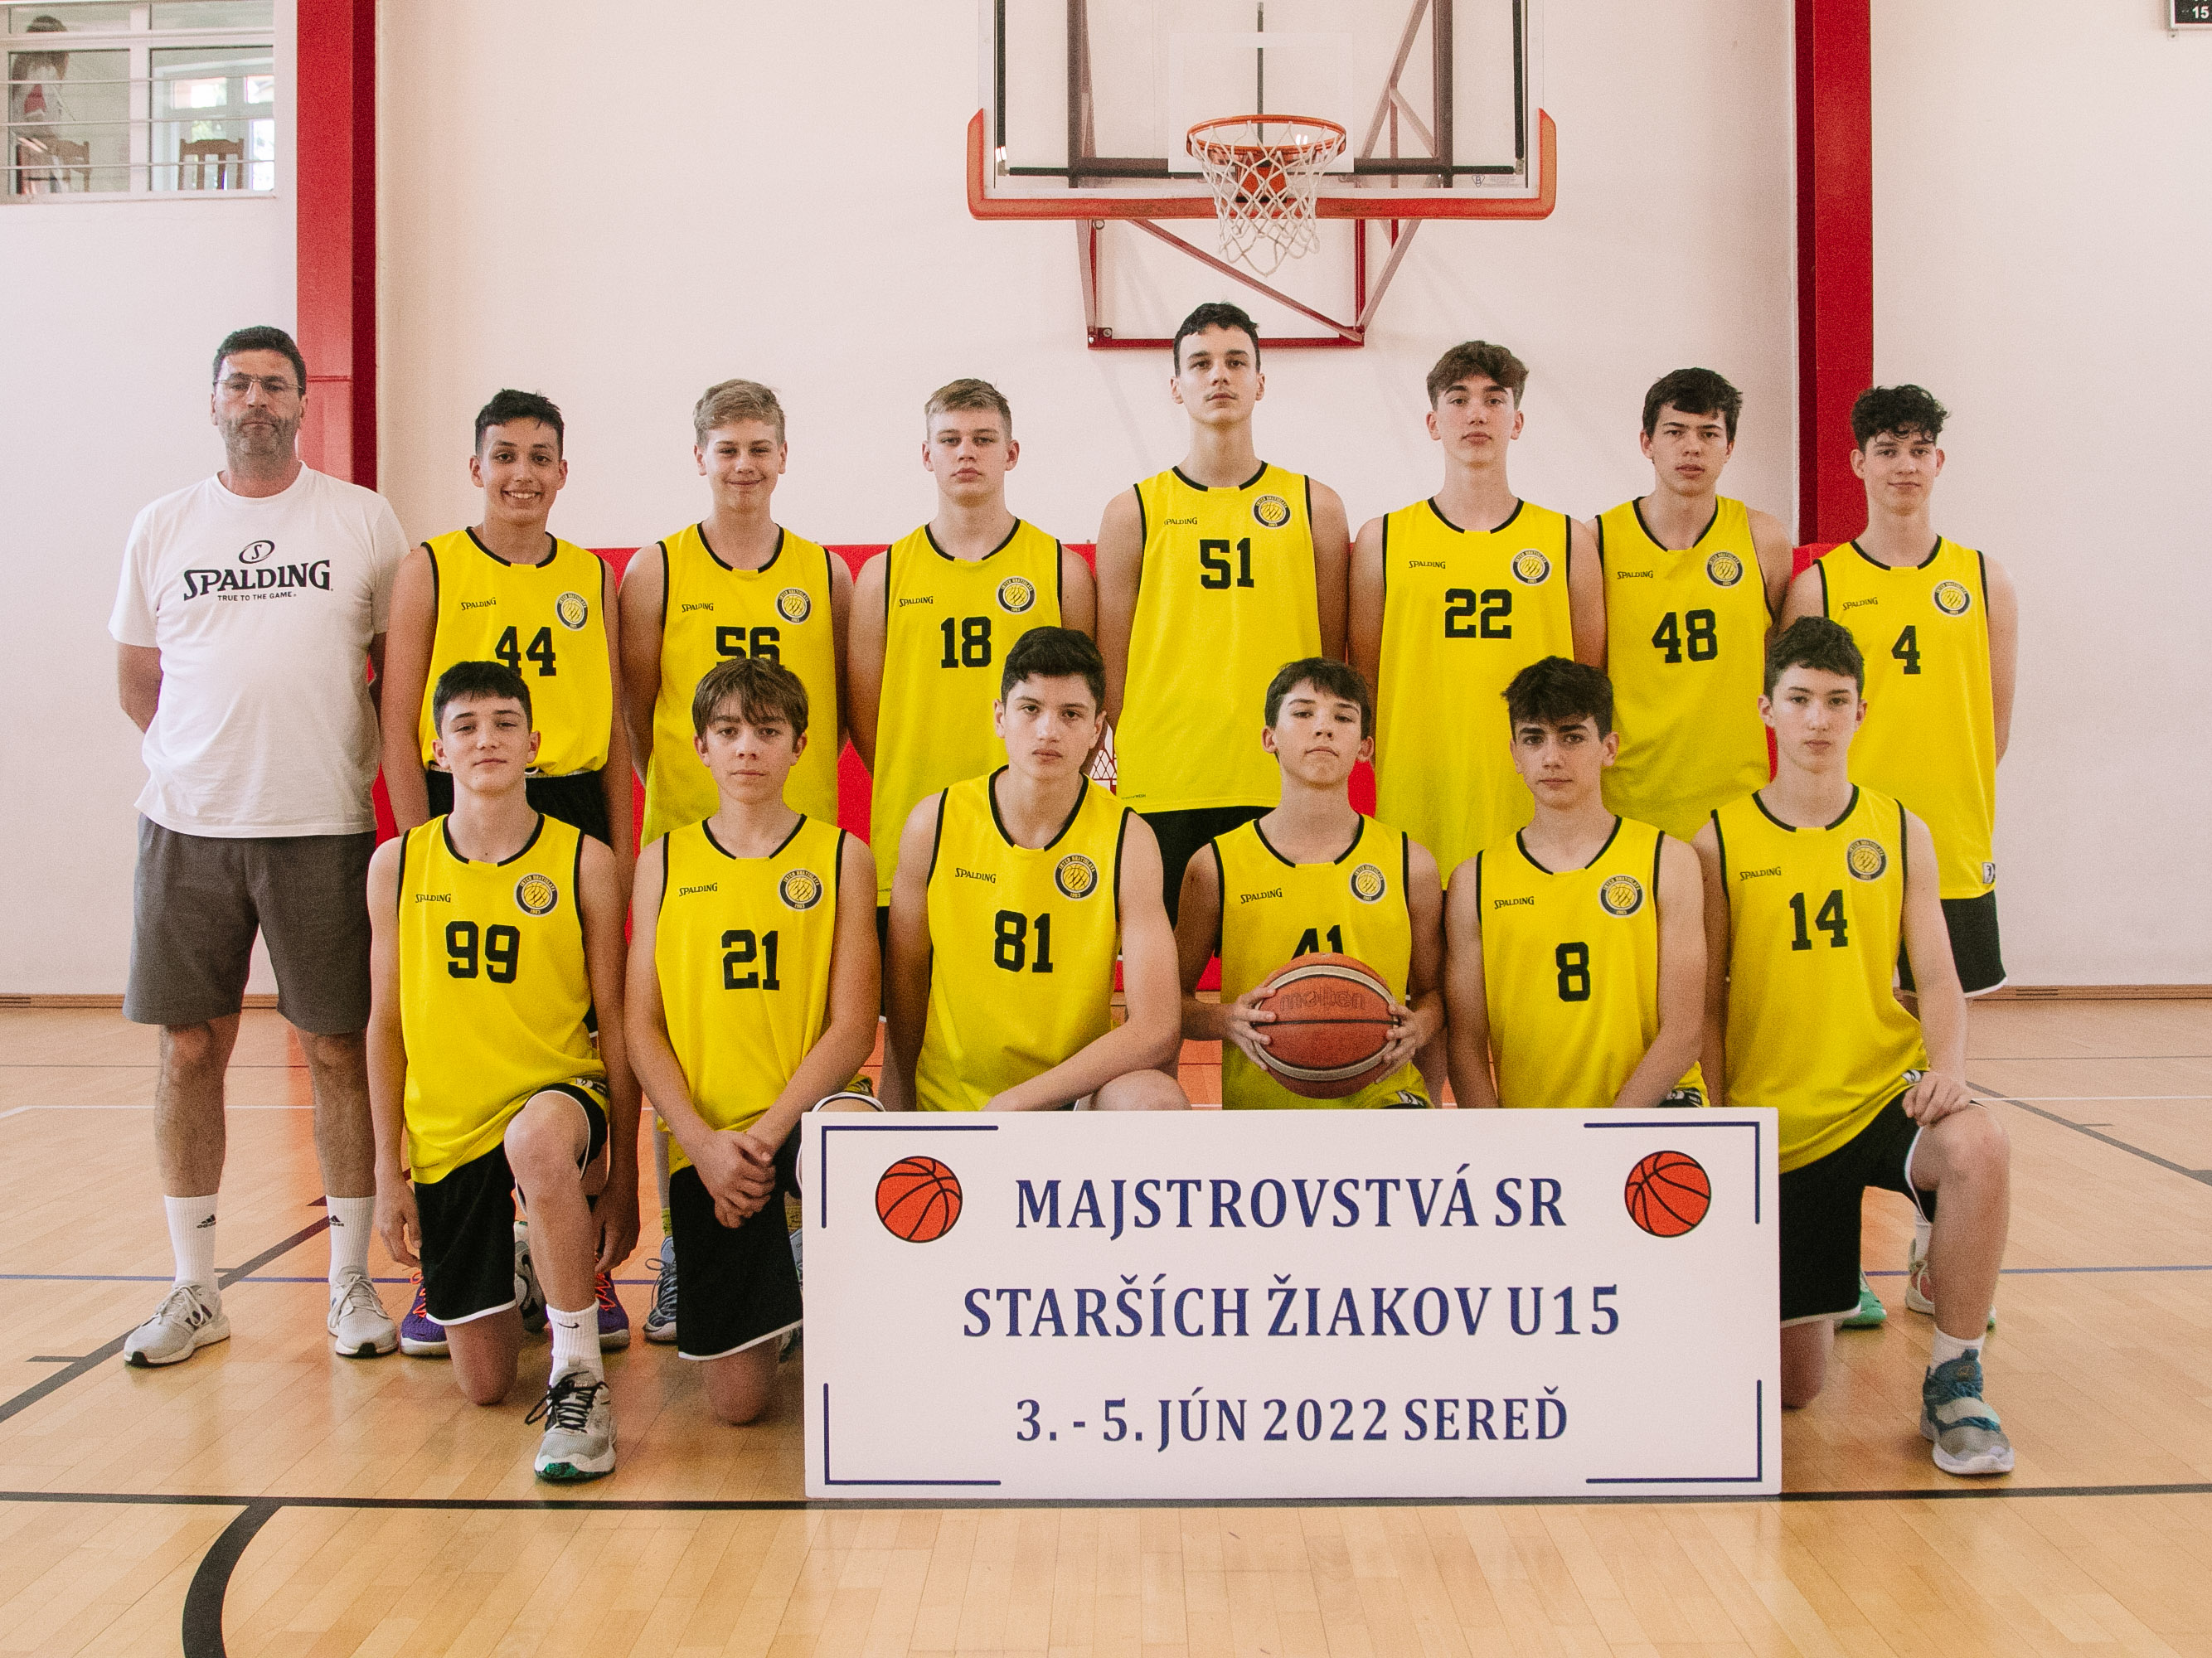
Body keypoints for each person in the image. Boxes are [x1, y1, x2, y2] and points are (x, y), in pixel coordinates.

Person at [110, 325, 407, 1367]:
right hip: (187, 826)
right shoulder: (162, 525)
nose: (256, 400)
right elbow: (139, 678)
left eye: (275, 385)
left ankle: (350, 1281)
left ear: (301, 403)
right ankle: (194, 1287)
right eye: (238, 384)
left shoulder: (361, 518)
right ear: (214, 401)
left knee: (336, 1049)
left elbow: (396, 672)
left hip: (322, 823)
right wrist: (204, 763)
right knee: (190, 1048)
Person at [1693, 618, 2013, 1476]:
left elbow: (1937, 977)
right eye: (1799, 698)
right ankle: (1826, 1290)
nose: (1817, 718)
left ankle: (1955, 1381)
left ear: (1861, 712)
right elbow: (1707, 1000)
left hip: (1878, 1094)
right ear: (1766, 709)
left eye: (1836, 701)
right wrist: (1724, 1118)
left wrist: (1948, 1070)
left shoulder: (1900, 829)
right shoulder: (1716, 840)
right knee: (1797, 1388)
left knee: (1978, 1144)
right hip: (1778, 1126)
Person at [377, 387, 635, 1358]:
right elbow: (401, 721)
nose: (522, 473)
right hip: (460, 815)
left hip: (566, 805)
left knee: (578, 1029)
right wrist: (422, 849)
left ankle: (580, 1260)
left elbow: (612, 728)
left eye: (539, 456)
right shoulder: (431, 566)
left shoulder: (589, 574)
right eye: (505, 455)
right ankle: (448, 1260)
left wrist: (621, 854)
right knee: (452, 1030)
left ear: (562, 472)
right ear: (476, 467)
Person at [618, 377, 852, 1345]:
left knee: (800, 1041)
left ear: (783, 457)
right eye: (728, 448)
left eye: (760, 447)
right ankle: (684, 1249)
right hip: (693, 837)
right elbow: (638, 711)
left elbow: (850, 708)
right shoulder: (657, 570)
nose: (744, 464)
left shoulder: (825, 573)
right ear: (701, 458)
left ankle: (793, 1239)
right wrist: (693, 799)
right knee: (693, 1051)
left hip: (802, 847)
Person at [367, 661, 642, 1482]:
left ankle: (579, 1376)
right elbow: (386, 1025)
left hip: (558, 1094)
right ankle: (532, 1257)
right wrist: (386, 1169)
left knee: (536, 1141)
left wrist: (624, 1176)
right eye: (465, 726)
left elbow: (616, 1021)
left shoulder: (584, 860)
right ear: (438, 751)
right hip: (450, 1124)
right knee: (484, 1384)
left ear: (534, 742)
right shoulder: (398, 865)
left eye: (503, 723)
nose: (485, 738)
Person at [1780, 384, 2018, 1326]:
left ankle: (1933, 1254)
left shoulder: (1984, 579)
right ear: (1858, 463)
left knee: (1938, 1055)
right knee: (1839, 1036)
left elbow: (1994, 723)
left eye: (1920, 448)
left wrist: (1946, 807)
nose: (1905, 464)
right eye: (1887, 448)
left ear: (1939, 462)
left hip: (1949, 845)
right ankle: (1831, 1254)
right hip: (1847, 849)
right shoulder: (1821, 584)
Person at [624, 657, 879, 1423]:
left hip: (805, 1116)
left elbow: (853, 1027)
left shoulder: (842, 856)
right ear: (699, 746)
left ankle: (838, 1296)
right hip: (710, 1140)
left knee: (850, 1142)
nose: (747, 748)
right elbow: (641, 1027)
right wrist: (701, 1143)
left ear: (800, 746)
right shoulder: (662, 861)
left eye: (767, 732)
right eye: (729, 731)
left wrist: (767, 1136)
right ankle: (778, 1292)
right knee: (739, 1408)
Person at [1096, 301, 1349, 922]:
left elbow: (1330, 655)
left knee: (1283, 974)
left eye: (1236, 362)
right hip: (1168, 779)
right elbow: (1112, 663)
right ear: (1176, 385)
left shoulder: (1316, 506)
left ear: (1260, 382)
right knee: (1164, 971)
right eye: (1201, 363)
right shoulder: (1133, 512)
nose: (1219, 375)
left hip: (1282, 779)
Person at [882, 628, 1186, 1113]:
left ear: (1097, 730)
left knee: (1153, 1100)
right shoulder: (934, 823)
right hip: (953, 1104)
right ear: (1000, 717)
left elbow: (1156, 1027)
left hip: (1071, 1100)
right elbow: (905, 990)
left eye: (1071, 714)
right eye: (1030, 708)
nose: (1048, 731)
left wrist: (1018, 1102)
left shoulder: (1128, 839)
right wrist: (897, 1103)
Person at [1351, 340, 1604, 889]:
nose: (1476, 414)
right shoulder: (1383, 539)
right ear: (1433, 421)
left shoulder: (1567, 540)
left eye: (1494, 399)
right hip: (1420, 782)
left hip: (1532, 784)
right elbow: (1366, 679)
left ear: (1516, 421)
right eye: (1458, 398)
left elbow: (1588, 676)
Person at [851, 379, 1094, 932]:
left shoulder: (1063, 571)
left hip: (1033, 832)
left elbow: (1084, 708)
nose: (966, 452)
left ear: (1011, 453)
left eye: (983, 439)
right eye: (950, 439)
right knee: (909, 989)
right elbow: (868, 720)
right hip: (913, 829)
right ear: (926, 454)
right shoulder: (883, 578)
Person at [1176, 658, 1443, 1108]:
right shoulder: (1214, 865)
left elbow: (1435, 994)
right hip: (1266, 1108)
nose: (1323, 728)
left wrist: (1421, 1026)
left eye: (1343, 717)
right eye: (1303, 713)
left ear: (1365, 746)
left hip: (1383, 1097)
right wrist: (1226, 1021)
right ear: (1269, 738)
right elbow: (1169, 1004)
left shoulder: (1410, 863)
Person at [1443, 657, 1705, 1111]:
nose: (1552, 757)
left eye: (1572, 737)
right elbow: (1465, 1044)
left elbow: (1683, 1031)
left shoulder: (1668, 860)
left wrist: (1607, 1134)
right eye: (1534, 739)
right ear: (1515, 754)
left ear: (1609, 747)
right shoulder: (1474, 881)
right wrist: (1496, 1140)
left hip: (1653, 1115)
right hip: (1536, 1126)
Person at [1594, 368, 1795, 841]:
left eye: (1709, 433)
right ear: (1647, 442)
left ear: (1729, 447)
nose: (1692, 447)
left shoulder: (1762, 537)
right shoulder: (1598, 540)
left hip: (1738, 800)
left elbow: (1785, 666)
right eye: (1675, 432)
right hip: (1630, 797)